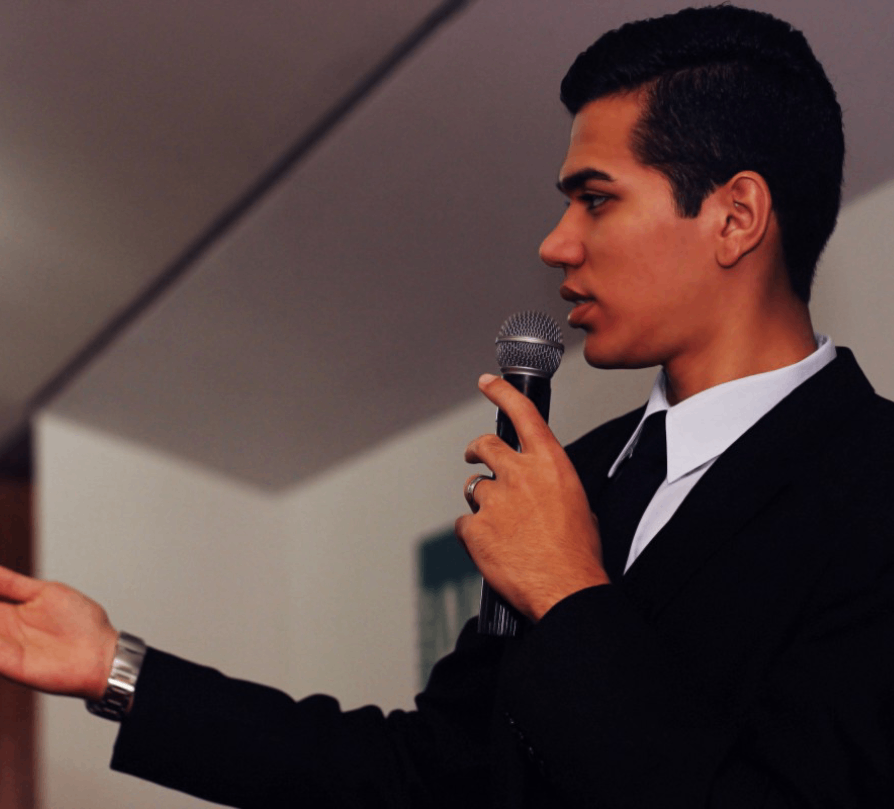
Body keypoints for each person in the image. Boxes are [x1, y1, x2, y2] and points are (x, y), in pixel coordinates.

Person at [0, 4, 892, 806]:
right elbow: (423, 771)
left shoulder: (874, 483)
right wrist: (116, 669)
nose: (555, 244)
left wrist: (567, 591)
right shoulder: (577, 473)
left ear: (736, 216)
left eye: (595, 199)